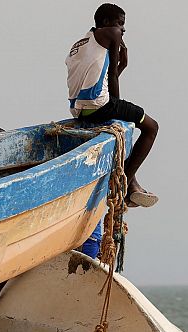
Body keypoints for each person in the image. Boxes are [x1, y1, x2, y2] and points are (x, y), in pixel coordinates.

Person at [66, 3, 159, 208]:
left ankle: (133, 183)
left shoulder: (80, 43)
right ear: (107, 23)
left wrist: (122, 66)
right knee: (152, 127)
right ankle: (125, 184)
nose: (123, 29)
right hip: (100, 106)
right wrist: (117, 108)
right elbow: (112, 77)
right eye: (120, 23)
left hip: (80, 110)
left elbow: (100, 77)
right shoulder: (112, 33)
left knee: (127, 121)